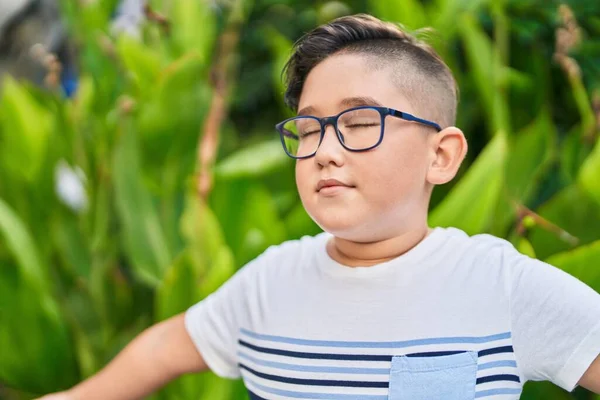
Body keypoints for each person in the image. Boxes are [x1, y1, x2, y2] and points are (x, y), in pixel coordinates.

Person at [38, 13, 600, 400]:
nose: (325, 150)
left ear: (443, 155)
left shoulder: (499, 285)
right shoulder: (270, 281)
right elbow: (166, 346)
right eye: (308, 130)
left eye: (359, 123)